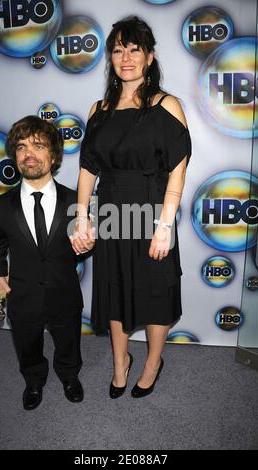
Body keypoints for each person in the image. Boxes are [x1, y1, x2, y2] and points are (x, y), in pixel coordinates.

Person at [71, 16, 191, 399]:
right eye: (118, 50)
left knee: (156, 293)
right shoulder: (99, 110)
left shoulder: (166, 105)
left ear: (149, 57)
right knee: (114, 290)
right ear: (111, 57)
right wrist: (82, 217)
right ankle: (120, 363)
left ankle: (153, 362)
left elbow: (177, 170)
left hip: (152, 214)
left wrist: (165, 226)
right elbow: (89, 169)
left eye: (134, 49)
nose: (126, 57)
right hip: (112, 216)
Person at [0, 116, 88, 410]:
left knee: (68, 339)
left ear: (54, 156)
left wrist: (89, 242)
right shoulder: (0, 206)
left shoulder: (76, 203)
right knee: (27, 342)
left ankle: (69, 376)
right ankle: (33, 380)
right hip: (23, 292)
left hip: (64, 290)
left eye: (38, 146)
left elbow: (86, 242)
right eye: (21, 147)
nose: (28, 153)